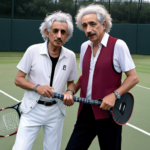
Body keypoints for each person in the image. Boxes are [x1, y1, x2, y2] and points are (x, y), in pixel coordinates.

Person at [65, 4, 139, 150]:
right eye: (84, 25)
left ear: (103, 24)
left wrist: (114, 95)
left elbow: (133, 77)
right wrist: (70, 91)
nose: (88, 30)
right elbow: (84, 78)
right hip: (85, 113)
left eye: (92, 24)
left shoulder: (118, 45)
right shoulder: (84, 47)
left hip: (109, 115)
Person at [12, 11, 78, 150]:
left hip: (56, 112)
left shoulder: (71, 56)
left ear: (67, 36)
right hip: (32, 110)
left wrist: (70, 91)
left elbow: (71, 82)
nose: (59, 35)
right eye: (55, 31)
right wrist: (37, 87)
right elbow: (18, 79)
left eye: (63, 32)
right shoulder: (32, 51)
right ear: (47, 32)